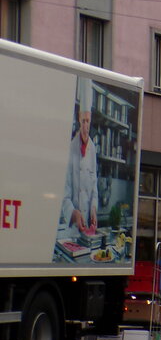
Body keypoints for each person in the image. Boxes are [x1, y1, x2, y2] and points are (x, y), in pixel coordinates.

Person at [61, 80, 99, 235]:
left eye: (88, 121)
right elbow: (64, 195)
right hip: (72, 230)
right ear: (79, 120)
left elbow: (94, 187)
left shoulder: (93, 149)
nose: (85, 126)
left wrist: (94, 209)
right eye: (83, 121)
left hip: (88, 227)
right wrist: (74, 214)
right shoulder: (70, 148)